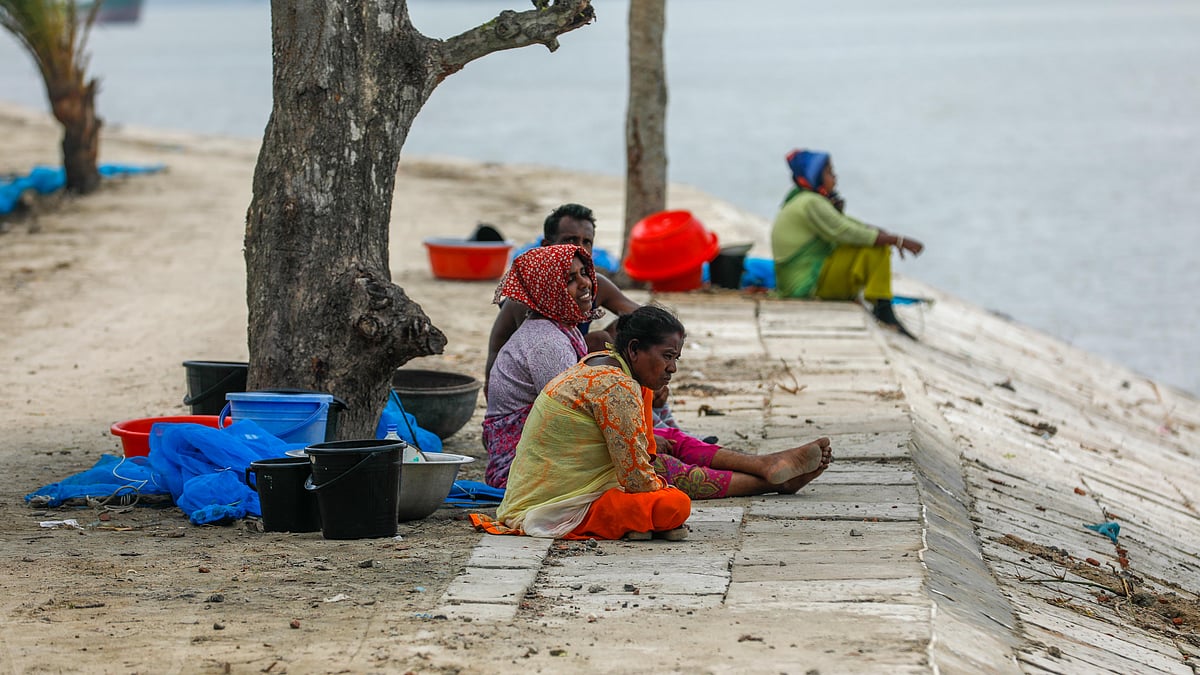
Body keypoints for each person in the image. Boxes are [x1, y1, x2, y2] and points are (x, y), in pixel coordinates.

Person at [473, 306, 834, 541]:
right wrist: (660, 490)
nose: (672, 368)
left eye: (676, 358)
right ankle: (769, 479)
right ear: (633, 350)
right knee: (673, 504)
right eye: (667, 357)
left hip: (549, 492)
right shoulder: (615, 387)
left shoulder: (608, 365)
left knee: (667, 472)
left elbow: (639, 459)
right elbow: (636, 477)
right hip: (550, 506)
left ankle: (767, 469)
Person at [485, 203, 640, 395]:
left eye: (587, 242)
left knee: (631, 326)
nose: (579, 248)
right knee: (600, 341)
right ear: (546, 246)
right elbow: (536, 356)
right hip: (529, 388)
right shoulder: (531, 297)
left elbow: (643, 316)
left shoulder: (589, 283)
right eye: (570, 240)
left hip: (563, 368)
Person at [482, 243, 603, 488]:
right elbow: (570, 418)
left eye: (584, 273)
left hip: (540, 458)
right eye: (570, 279)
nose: (585, 283)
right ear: (548, 290)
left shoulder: (560, 327)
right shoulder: (547, 342)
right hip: (523, 471)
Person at [771, 149, 925, 338]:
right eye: (829, 172)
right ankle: (884, 310)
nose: (835, 178)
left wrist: (882, 234)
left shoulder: (801, 198)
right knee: (876, 249)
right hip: (806, 286)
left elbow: (847, 226)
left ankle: (880, 305)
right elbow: (846, 232)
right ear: (815, 177)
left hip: (797, 282)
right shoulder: (811, 203)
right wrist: (896, 240)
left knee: (871, 241)